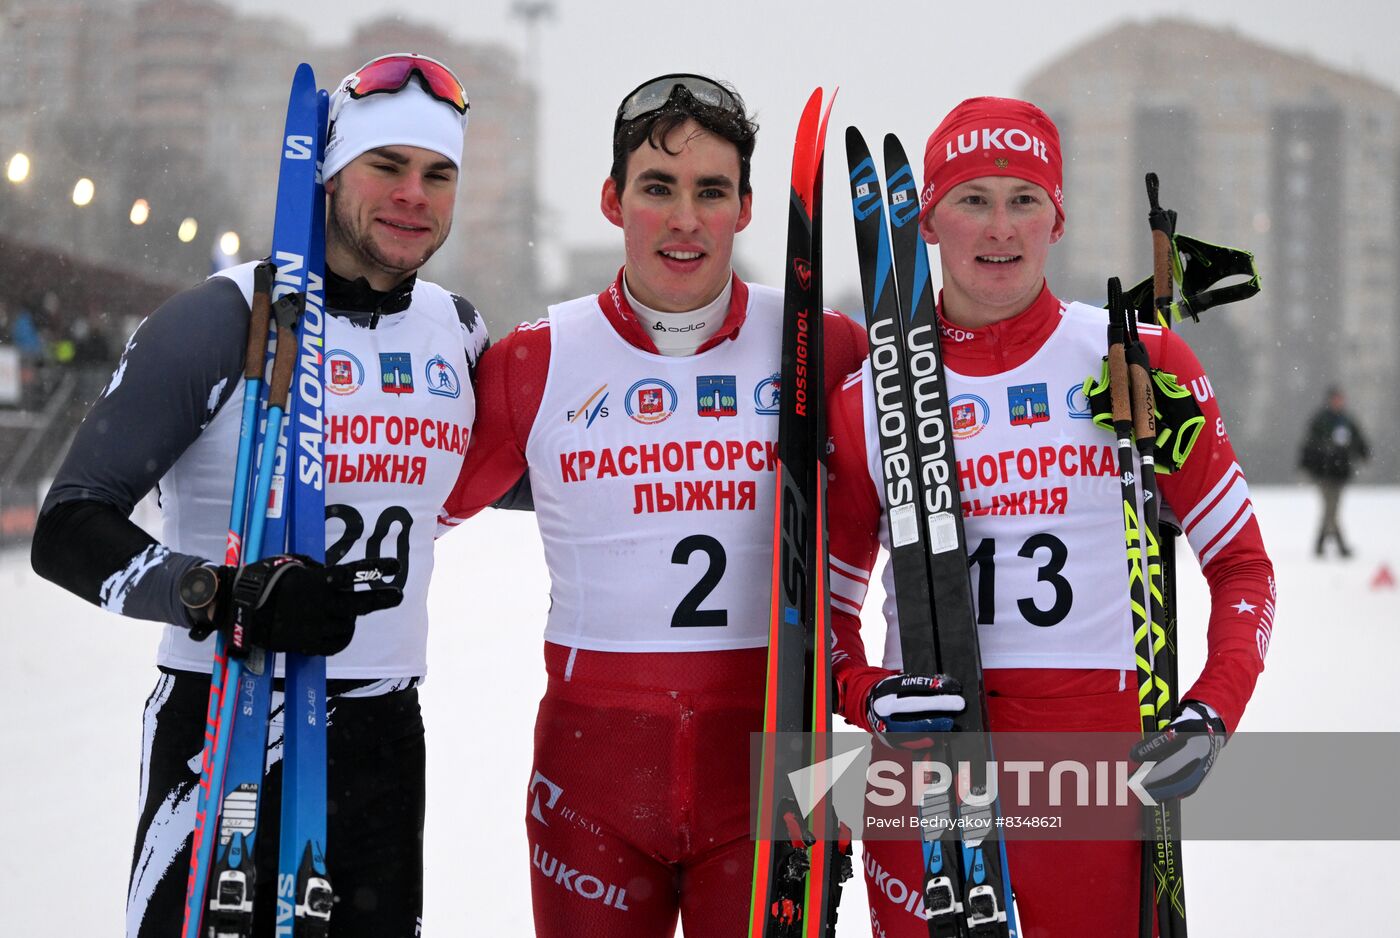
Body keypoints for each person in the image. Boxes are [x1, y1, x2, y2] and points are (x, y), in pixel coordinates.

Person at [30, 53, 488, 938]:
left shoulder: (458, 332)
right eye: (385, 166)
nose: (413, 196)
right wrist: (220, 592)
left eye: (438, 174)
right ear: (325, 167)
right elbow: (68, 526)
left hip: (383, 732)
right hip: (229, 717)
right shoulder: (220, 319)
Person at [823, 97, 1277, 937]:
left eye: (1024, 199)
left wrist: (1211, 714)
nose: (1000, 228)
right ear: (928, 220)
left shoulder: (1136, 362)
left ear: (1056, 219)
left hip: (1098, 773)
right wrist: (867, 694)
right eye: (973, 199)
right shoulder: (869, 403)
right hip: (925, 781)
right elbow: (822, 617)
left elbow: (1243, 566)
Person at [438, 74, 866, 936]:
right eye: (657, 189)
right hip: (592, 775)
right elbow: (411, 504)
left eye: (712, 191)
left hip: (785, 762)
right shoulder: (535, 360)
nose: (684, 219)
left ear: (746, 208)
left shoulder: (827, 346)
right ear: (612, 199)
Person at [1299, 385, 1370, 557]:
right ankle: (1338, 545)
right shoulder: (1321, 420)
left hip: (1340, 473)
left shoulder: (1346, 420)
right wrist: (1310, 462)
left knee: (1331, 509)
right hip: (1323, 472)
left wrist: (1363, 454)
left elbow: (1359, 440)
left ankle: (1321, 544)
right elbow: (1309, 444)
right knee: (1331, 508)